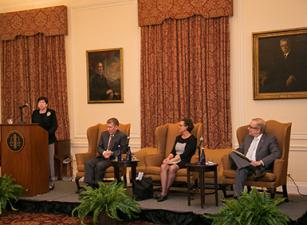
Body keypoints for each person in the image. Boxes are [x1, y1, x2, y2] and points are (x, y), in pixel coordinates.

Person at [229, 118, 281, 197]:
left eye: (250, 127)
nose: (248, 128)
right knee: (233, 155)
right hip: (247, 163)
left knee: (241, 168)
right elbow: (241, 149)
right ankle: (251, 170)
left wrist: (260, 162)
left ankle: (238, 196)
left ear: (258, 130)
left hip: (258, 165)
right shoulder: (247, 137)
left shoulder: (269, 139)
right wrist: (235, 153)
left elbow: (276, 153)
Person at [156, 118, 197, 202]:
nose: (179, 127)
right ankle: (164, 192)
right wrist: (168, 158)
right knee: (163, 166)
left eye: (181, 125)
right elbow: (173, 151)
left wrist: (171, 162)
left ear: (186, 127)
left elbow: (185, 154)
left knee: (172, 168)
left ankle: (164, 193)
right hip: (175, 158)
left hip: (184, 160)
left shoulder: (192, 139)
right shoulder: (178, 137)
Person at [84, 118, 127, 188]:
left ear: (116, 127)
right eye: (107, 127)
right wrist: (103, 152)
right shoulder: (104, 134)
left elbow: (123, 150)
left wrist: (112, 153)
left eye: (110, 127)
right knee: (88, 163)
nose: (108, 129)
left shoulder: (122, 136)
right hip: (102, 156)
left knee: (99, 165)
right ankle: (90, 185)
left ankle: (98, 186)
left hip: (113, 159)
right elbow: (99, 147)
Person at [31, 96, 58, 190]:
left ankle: (51, 181)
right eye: (39, 102)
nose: (41, 104)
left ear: (46, 104)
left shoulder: (51, 113)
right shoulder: (35, 113)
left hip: (49, 140)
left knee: (49, 160)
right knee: (39, 159)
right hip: (38, 140)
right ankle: (40, 179)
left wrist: (46, 134)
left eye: (43, 102)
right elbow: (33, 126)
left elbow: (55, 126)